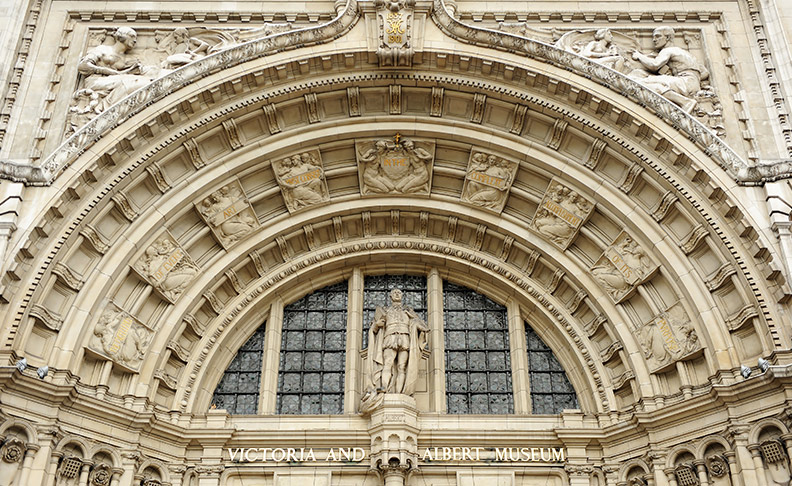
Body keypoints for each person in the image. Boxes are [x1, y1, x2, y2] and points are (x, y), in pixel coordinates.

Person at [365, 289, 429, 397]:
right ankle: (384, 387)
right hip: (390, 337)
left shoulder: (408, 311)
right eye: (394, 293)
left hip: (405, 337)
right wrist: (376, 325)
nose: (397, 294)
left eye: (399, 293)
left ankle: (400, 394)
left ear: (402, 296)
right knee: (388, 363)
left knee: (401, 367)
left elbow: (422, 326)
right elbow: (375, 327)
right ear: (390, 296)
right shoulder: (385, 311)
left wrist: (415, 321)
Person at [630, 27, 709, 113]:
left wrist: (639, 56)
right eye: (653, 37)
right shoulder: (685, 53)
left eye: (658, 36)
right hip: (694, 85)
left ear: (667, 38)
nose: (654, 40)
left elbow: (655, 65)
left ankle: (685, 102)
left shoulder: (668, 50)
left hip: (683, 82)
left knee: (640, 81)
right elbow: (705, 73)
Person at [77, 27, 155, 113]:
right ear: (122, 35)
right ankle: (107, 108)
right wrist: (105, 71)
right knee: (129, 81)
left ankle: (113, 108)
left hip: (112, 81)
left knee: (139, 81)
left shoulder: (127, 59)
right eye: (132, 36)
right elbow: (82, 66)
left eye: (135, 38)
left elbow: (120, 74)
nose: (135, 40)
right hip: (96, 81)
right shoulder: (103, 49)